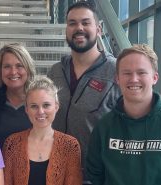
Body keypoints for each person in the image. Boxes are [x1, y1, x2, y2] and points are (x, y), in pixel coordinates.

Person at [86, 44, 161, 185]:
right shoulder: (104, 127)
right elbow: (94, 176)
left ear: (154, 78)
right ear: (117, 79)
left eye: (141, 72)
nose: (134, 79)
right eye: (126, 73)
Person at [46, 1, 120, 180]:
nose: (79, 28)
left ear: (99, 29)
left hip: (96, 176)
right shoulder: (55, 71)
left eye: (85, 22)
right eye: (72, 23)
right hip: (55, 174)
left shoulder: (116, 72)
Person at [3, 76, 82, 185]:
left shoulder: (70, 146)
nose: (40, 111)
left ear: (56, 107)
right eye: (34, 106)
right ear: (26, 109)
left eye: (46, 105)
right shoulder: (12, 144)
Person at [0, 43, 36, 147]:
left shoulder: (37, 101)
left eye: (19, 66)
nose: (13, 72)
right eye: (7, 66)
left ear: (28, 69)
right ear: (0, 70)